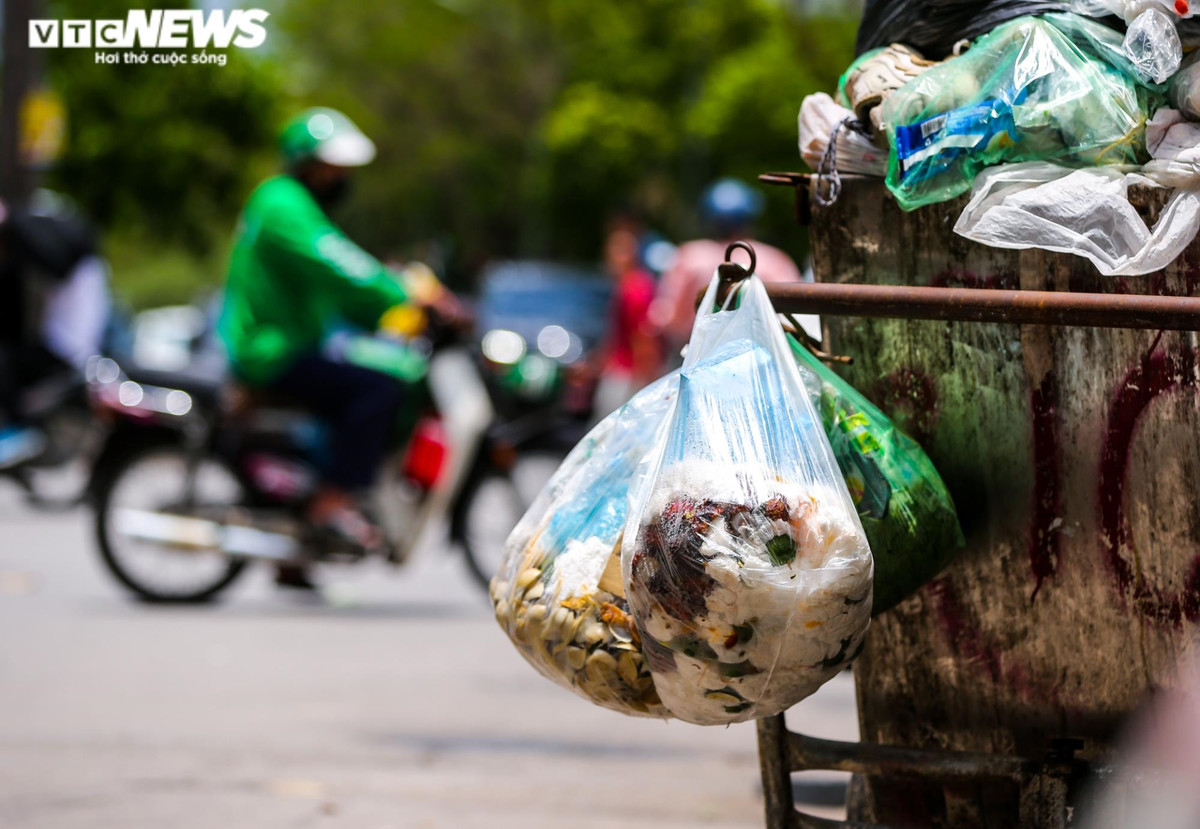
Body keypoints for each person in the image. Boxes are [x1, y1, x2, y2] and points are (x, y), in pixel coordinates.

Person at [219, 107, 445, 587]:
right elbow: (337, 264)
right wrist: (403, 292)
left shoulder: (293, 203)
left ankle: (296, 546)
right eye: (332, 167)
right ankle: (331, 504)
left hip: (290, 341)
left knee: (356, 381)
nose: (340, 178)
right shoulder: (283, 202)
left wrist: (384, 310)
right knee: (378, 389)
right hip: (270, 349)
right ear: (306, 164)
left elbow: (332, 290)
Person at [649, 178, 811, 368]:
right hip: (760, 361)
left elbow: (669, 319)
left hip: (693, 357)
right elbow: (800, 317)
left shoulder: (688, 257)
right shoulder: (773, 260)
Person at [0, 192, 111, 468]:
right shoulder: (86, 265)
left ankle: (21, 429)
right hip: (68, 335)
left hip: (70, 340)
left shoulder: (28, 234)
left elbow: (55, 261)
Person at [591, 223, 660, 417]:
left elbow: (642, 336)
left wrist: (646, 380)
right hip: (620, 371)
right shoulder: (626, 285)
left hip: (627, 376)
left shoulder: (635, 288)